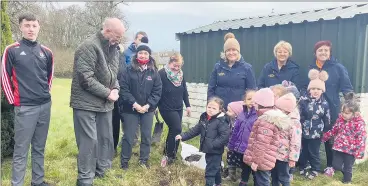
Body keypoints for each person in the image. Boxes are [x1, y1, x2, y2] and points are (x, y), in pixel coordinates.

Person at [1, 12, 54, 186]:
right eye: (27, 25)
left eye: (34, 25)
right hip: (24, 108)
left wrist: (45, 97)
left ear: (39, 27)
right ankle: (17, 183)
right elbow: (4, 78)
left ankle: (37, 181)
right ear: (21, 27)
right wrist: (14, 101)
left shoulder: (46, 52)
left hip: (44, 107)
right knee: (21, 150)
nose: (31, 29)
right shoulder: (12, 50)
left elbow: (49, 78)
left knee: (39, 147)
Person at [70, 18, 125, 186]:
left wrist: (115, 88)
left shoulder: (114, 48)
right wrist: (108, 93)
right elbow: (85, 78)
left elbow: (112, 74)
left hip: (105, 104)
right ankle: (85, 179)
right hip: (85, 103)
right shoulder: (89, 46)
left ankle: (103, 171)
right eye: (117, 35)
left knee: (105, 139)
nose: (119, 40)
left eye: (121, 37)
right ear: (107, 30)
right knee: (88, 142)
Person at [306, 40, 354, 175]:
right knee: (312, 136)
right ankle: (311, 164)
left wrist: (352, 107)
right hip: (313, 109)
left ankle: (331, 166)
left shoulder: (338, 67)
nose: (323, 52)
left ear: (329, 53)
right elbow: (305, 87)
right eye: (320, 50)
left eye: (326, 50)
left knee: (330, 137)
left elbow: (347, 87)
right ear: (315, 53)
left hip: (331, 109)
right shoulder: (311, 68)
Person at [119, 41, 162, 170]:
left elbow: (157, 91)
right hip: (130, 109)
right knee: (129, 136)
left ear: (149, 56)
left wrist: (148, 105)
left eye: (145, 53)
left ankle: (143, 160)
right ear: (136, 55)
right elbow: (124, 89)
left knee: (146, 136)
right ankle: (124, 161)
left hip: (148, 110)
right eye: (141, 53)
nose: (143, 55)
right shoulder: (128, 70)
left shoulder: (154, 72)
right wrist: (135, 104)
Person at [176, 97, 230, 186]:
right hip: (208, 149)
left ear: (220, 110)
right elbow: (195, 130)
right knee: (215, 168)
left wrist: (213, 145)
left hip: (215, 151)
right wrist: (183, 136)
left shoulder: (221, 121)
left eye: (214, 108)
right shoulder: (205, 118)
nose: (211, 110)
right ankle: (218, 183)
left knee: (209, 173)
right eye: (209, 107)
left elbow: (225, 136)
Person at [243, 88, 291, 186]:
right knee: (261, 180)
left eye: (255, 103)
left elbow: (261, 144)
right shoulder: (267, 118)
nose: (254, 105)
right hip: (264, 158)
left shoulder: (266, 122)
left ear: (260, 104)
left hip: (262, 160)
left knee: (263, 181)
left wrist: (256, 162)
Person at [322, 94, 367, 183]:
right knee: (336, 165)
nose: (344, 115)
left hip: (350, 150)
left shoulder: (359, 123)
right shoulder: (340, 120)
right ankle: (343, 171)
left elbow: (361, 138)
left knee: (348, 166)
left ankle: (347, 181)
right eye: (342, 112)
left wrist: (360, 151)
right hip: (339, 147)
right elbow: (334, 130)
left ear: (355, 113)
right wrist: (325, 136)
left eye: (347, 113)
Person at [207, 32, 257, 109]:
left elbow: (252, 91)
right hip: (220, 108)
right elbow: (211, 88)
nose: (231, 53)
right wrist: (210, 105)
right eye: (228, 50)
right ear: (225, 52)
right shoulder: (218, 67)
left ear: (238, 51)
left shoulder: (247, 68)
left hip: (238, 109)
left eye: (234, 50)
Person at [157, 53, 191, 165]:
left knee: (175, 130)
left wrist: (188, 105)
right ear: (169, 62)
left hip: (178, 107)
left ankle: (170, 153)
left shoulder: (181, 74)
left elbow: (184, 90)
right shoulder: (161, 74)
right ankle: (169, 155)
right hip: (166, 107)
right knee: (176, 128)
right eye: (174, 65)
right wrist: (154, 106)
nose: (176, 68)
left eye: (179, 66)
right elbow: (156, 90)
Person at [298, 69, 331, 180]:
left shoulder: (324, 104)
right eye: (313, 88)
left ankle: (315, 169)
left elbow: (327, 118)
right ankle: (302, 166)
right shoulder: (304, 101)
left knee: (314, 152)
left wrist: (326, 130)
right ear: (309, 90)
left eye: (318, 89)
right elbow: (300, 114)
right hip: (304, 131)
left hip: (316, 133)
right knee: (304, 150)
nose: (315, 91)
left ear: (322, 90)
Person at [226, 90, 258, 185]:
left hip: (252, 147)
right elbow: (235, 131)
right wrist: (231, 145)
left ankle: (257, 182)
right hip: (241, 147)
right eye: (249, 99)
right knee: (244, 165)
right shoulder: (241, 115)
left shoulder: (258, 116)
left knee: (253, 168)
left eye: (255, 100)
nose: (252, 101)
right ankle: (244, 181)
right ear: (244, 101)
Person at [272, 93, 302, 186]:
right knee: (274, 176)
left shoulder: (294, 122)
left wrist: (293, 158)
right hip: (274, 153)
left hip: (285, 157)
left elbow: (296, 143)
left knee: (284, 177)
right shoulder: (277, 118)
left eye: (278, 108)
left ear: (286, 110)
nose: (275, 110)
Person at [112, 44, 126, 153]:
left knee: (115, 121)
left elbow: (121, 74)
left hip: (118, 95)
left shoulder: (120, 56)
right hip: (103, 93)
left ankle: (113, 148)